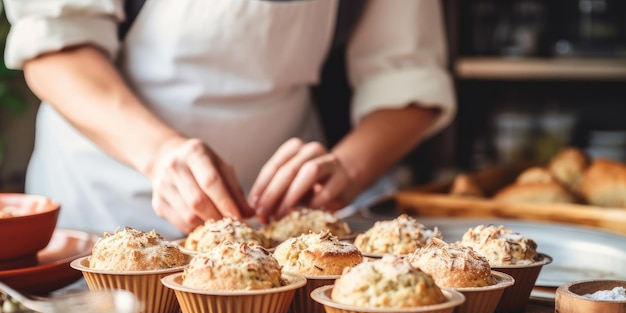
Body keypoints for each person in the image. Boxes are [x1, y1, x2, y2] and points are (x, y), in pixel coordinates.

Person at [3, 0, 455, 238]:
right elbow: (56, 48)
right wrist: (161, 153)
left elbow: (407, 77)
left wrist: (347, 169)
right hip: (104, 203)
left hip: (279, 226)